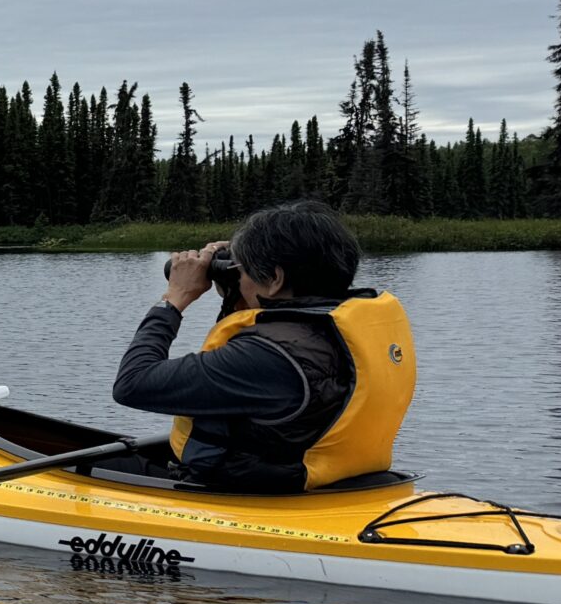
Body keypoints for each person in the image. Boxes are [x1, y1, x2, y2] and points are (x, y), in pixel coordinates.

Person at [111, 199, 416, 492]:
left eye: (242, 272)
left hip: (248, 494)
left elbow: (133, 383)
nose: (239, 279)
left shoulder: (267, 358)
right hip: (336, 483)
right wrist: (236, 293)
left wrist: (174, 300)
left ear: (275, 278)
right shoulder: (337, 331)